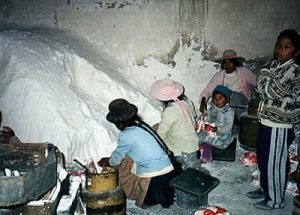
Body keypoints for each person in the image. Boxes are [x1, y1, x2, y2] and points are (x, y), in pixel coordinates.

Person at [246, 29, 300, 210]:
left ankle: (275, 200)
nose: (281, 49)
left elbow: (270, 90)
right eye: (279, 45)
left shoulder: (294, 69)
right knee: (263, 159)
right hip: (267, 121)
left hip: (280, 125)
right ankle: (265, 189)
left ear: (296, 50)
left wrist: (266, 76)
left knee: (275, 163)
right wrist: (266, 77)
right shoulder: (275, 65)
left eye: (287, 47)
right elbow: (260, 84)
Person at [98, 98, 175, 208]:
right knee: (130, 159)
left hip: (156, 175)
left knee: (125, 164)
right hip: (167, 167)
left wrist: (108, 161)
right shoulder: (141, 125)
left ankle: (142, 192)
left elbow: (117, 158)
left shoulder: (126, 135)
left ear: (118, 122)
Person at [150, 77, 200, 169]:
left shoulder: (170, 111)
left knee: (158, 135)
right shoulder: (187, 102)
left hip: (182, 151)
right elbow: (193, 116)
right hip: (193, 145)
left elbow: (161, 134)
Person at [199, 49, 257, 120]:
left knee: (231, 96)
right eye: (225, 63)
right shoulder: (219, 75)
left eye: (230, 62)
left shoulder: (243, 72)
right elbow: (208, 90)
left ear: (235, 63)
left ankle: (238, 121)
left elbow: (257, 82)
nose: (227, 65)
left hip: (241, 102)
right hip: (225, 102)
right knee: (217, 100)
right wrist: (203, 101)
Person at [197, 85, 235, 163]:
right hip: (211, 131)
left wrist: (217, 129)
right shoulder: (213, 108)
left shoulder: (229, 112)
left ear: (227, 99)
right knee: (197, 134)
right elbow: (207, 115)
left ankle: (206, 154)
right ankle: (202, 146)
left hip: (222, 135)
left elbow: (228, 127)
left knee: (206, 138)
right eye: (215, 99)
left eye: (220, 98)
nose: (217, 101)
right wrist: (202, 119)